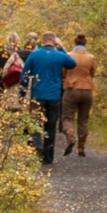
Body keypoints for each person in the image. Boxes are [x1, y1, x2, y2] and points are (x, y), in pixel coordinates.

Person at [18, 32, 79, 166]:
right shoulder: (59, 55)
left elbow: (25, 75)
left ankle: (37, 144)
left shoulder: (34, 55)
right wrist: (61, 48)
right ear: (53, 41)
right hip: (54, 95)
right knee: (50, 126)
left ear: (43, 40)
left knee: (35, 122)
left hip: (38, 94)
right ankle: (48, 157)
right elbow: (72, 64)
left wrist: (21, 94)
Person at [59, 33, 96, 156]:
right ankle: (81, 148)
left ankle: (70, 138)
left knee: (68, 116)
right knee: (83, 119)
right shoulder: (91, 57)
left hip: (71, 88)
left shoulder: (68, 56)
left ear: (75, 43)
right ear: (85, 44)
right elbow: (92, 73)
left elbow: (63, 72)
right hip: (87, 90)